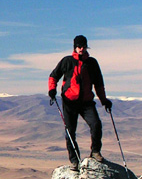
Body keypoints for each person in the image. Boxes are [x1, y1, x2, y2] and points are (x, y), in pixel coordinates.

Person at [48, 35, 112, 170]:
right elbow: (54, 76)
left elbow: (99, 84)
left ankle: (95, 152)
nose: (82, 49)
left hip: (86, 102)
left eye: (84, 46)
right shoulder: (67, 61)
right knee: (70, 132)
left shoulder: (92, 63)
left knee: (96, 124)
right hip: (69, 102)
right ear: (75, 47)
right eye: (79, 47)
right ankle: (75, 161)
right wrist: (52, 90)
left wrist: (104, 100)